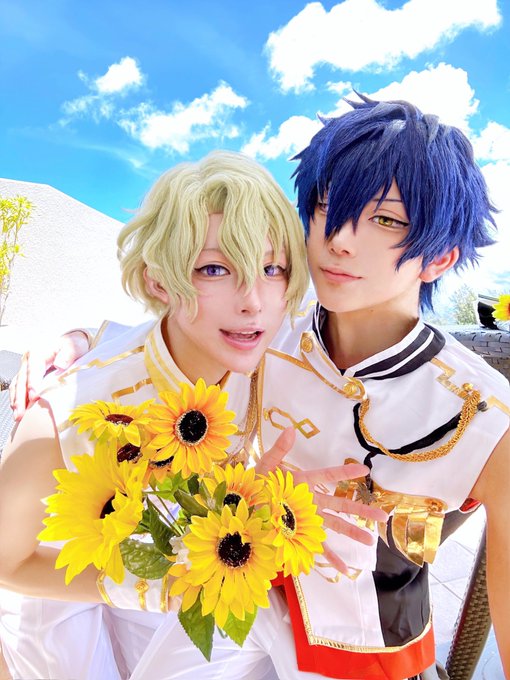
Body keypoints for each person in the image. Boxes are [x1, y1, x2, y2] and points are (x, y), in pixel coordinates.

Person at [9, 94, 510, 679]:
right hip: (230, 601)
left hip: (364, 650)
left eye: (386, 220)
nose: (339, 238)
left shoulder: (484, 415)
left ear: (440, 257)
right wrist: (79, 341)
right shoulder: (266, 329)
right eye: (326, 206)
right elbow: (165, 337)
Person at [0, 150, 384, 680]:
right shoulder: (64, 418)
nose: (253, 301)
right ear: (159, 281)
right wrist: (154, 586)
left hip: (196, 584)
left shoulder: (274, 339)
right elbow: (7, 563)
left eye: (272, 268)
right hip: (71, 597)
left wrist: (268, 504)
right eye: (214, 269)